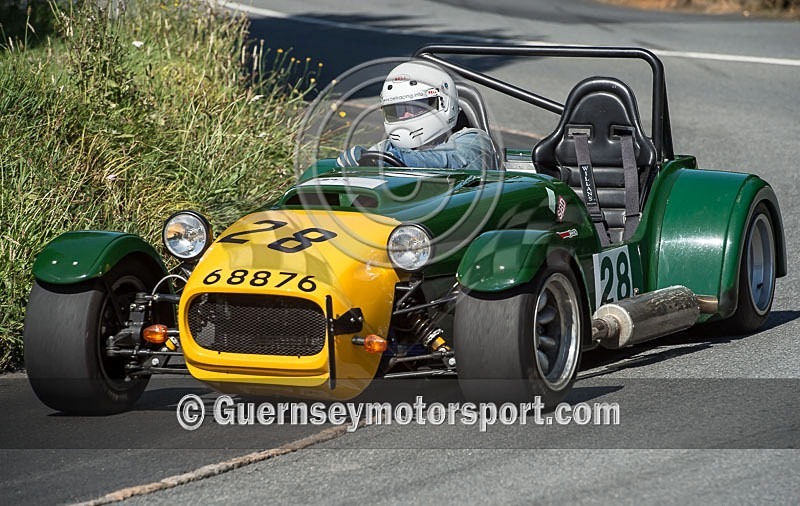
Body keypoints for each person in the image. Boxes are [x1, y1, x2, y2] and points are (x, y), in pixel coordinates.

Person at [336, 61, 498, 170]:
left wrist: (390, 160)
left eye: (415, 107)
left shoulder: (473, 140)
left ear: (443, 103)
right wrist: (352, 163)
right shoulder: (386, 149)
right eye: (397, 110)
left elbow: (453, 160)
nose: (405, 116)